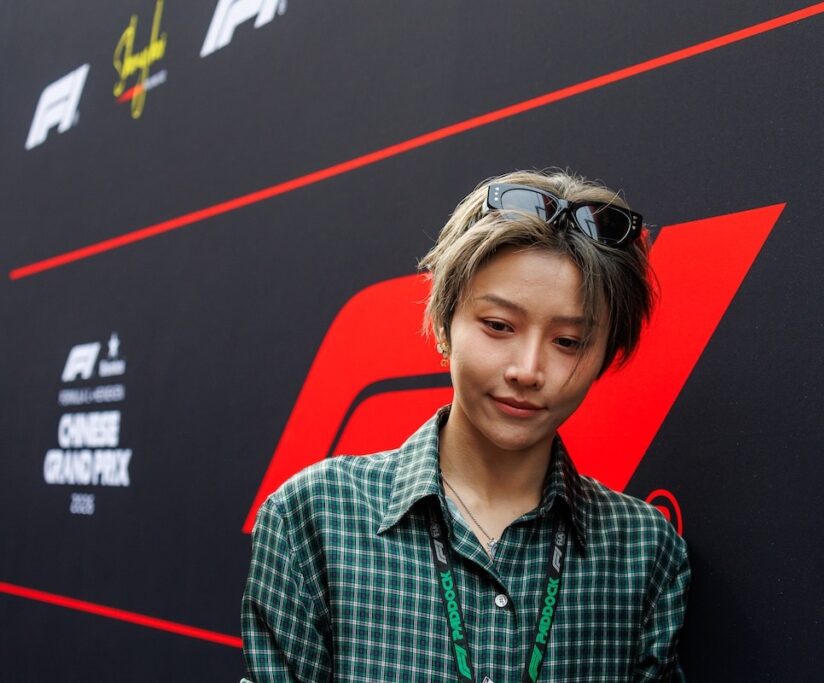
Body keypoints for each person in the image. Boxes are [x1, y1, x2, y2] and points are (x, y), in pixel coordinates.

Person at [241, 170, 690, 681]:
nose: (527, 369)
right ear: (442, 322)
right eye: (498, 326)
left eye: (568, 341)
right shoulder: (314, 518)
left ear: (605, 355)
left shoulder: (643, 550)